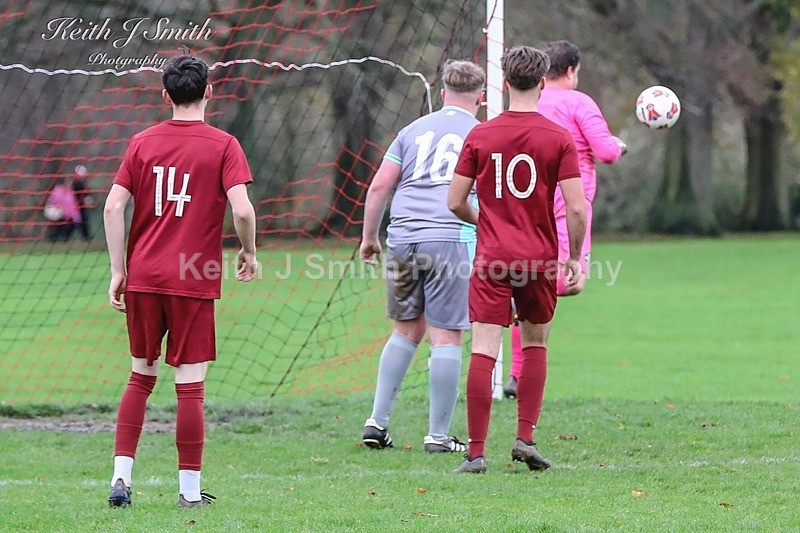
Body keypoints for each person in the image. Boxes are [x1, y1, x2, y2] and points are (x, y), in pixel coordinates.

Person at [103, 55, 258, 508]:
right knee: (190, 384)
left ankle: (121, 480)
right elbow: (244, 210)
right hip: (193, 277)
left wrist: (119, 270)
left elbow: (113, 207)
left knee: (140, 377)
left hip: (145, 277)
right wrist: (248, 250)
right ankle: (189, 492)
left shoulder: (142, 142)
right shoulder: (224, 144)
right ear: (209, 92)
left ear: (166, 95)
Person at [448, 46, 587, 473]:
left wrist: (485, 221)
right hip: (540, 259)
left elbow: (454, 201)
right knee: (534, 344)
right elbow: (578, 209)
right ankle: (525, 439)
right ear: (543, 83)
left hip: (492, 258)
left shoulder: (481, 134)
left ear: (504, 84)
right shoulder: (558, 137)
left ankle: (475, 453)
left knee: (484, 348)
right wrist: (575, 259)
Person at [359, 60, 486, 453]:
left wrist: (369, 238)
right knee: (447, 333)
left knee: (406, 328)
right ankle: (438, 435)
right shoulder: (481, 134)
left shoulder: (411, 131)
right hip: (450, 237)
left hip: (403, 237)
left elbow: (381, 186)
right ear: (480, 98)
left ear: (442, 92)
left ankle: (376, 423)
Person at [504, 40, 626, 398]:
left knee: (529, 277)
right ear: (571, 71)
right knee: (569, 280)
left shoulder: (530, 100)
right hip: (567, 203)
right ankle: (509, 303)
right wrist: (620, 145)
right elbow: (605, 152)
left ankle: (516, 375)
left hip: (524, 198)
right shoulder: (579, 102)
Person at [45, 177, 80, 242]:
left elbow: (72, 204)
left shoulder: (71, 192)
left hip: (69, 215)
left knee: (68, 227)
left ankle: (63, 239)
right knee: (59, 227)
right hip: (59, 214)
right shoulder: (58, 190)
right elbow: (54, 201)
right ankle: (54, 239)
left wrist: (75, 216)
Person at [72, 164, 92, 241]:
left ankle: (86, 237)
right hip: (77, 207)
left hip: (81, 207)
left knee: (83, 221)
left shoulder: (82, 183)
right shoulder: (76, 184)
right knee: (78, 222)